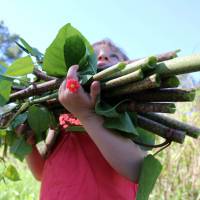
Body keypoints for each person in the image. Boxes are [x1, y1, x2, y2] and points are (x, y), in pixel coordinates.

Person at [21, 39, 146, 199]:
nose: (102, 56)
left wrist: (87, 115)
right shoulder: (62, 116)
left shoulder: (129, 110)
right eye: (93, 56)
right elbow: (41, 173)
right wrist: (28, 144)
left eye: (113, 56)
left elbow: (136, 169)